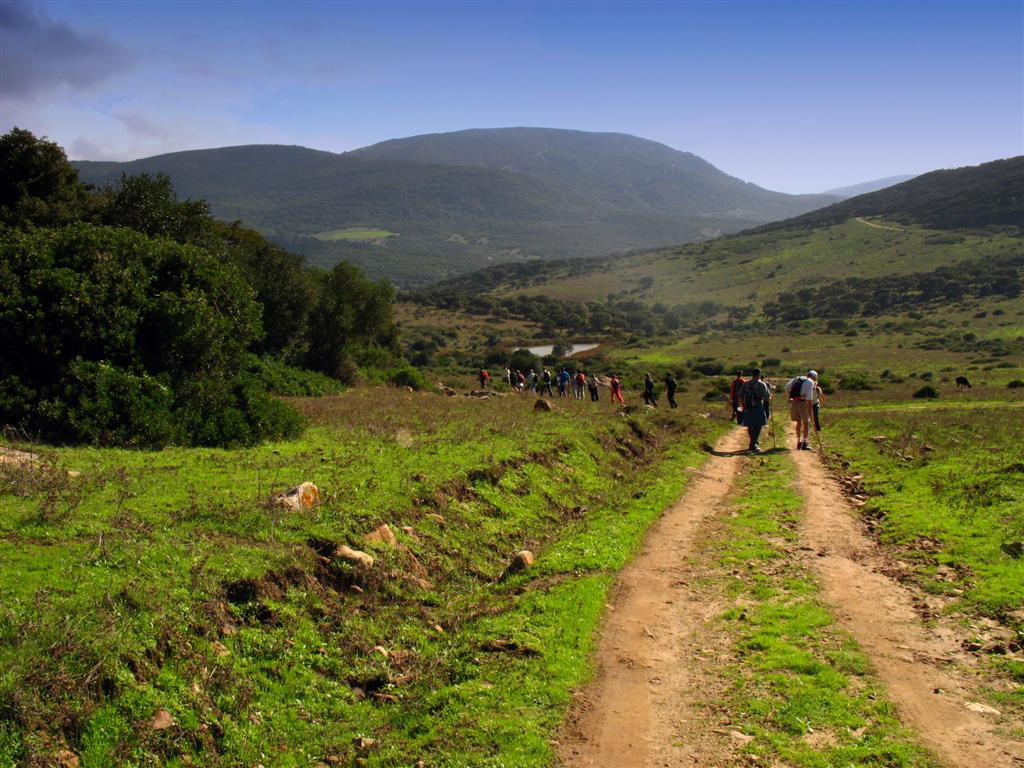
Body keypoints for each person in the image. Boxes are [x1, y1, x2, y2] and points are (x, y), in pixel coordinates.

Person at [740, 369, 771, 453]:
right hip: (758, 406)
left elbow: (740, 394)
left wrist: (743, 404)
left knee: (750, 425)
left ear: (752, 374)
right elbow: (767, 397)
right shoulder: (761, 384)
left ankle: (753, 444)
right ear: (759, 374)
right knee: (758, 425)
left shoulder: (746, 383)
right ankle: (753, 445)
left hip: (748, 407)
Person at [785, 370, 818, 450]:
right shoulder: (810, 382)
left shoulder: (797, 378)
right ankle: (805, 443)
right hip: (803, 404)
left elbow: (786, 387)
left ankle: (799, 441)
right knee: (807, 422)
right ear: (814, 377)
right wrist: (810, 412)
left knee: (798, 422)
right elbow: (809, 399)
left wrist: (793, 397)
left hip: (794, 403)